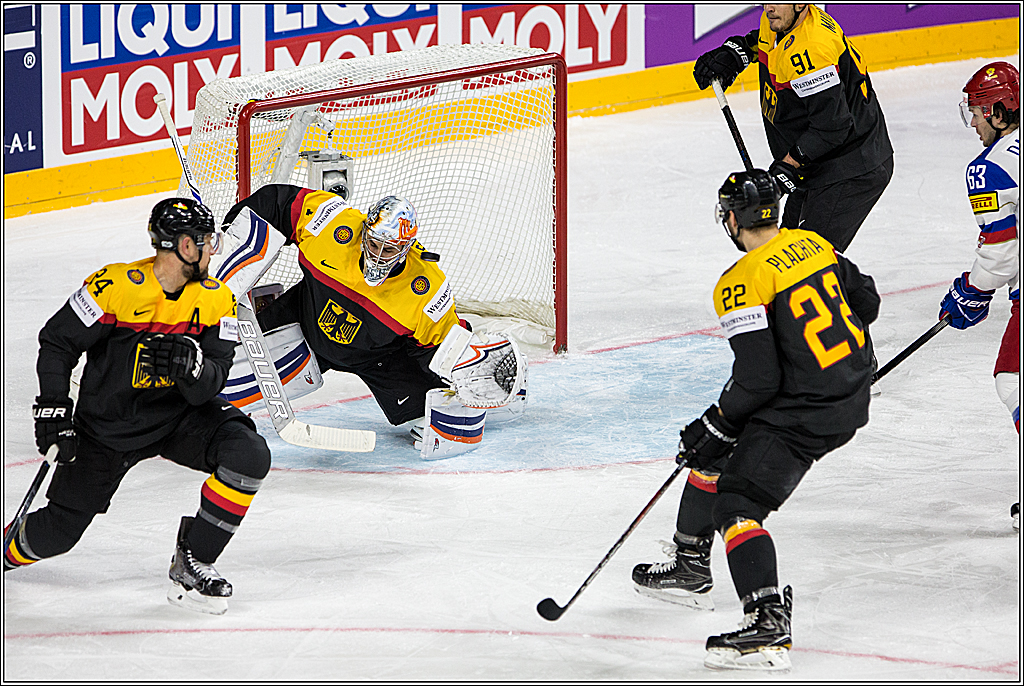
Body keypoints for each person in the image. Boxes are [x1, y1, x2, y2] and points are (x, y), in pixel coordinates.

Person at [631, 170, 880, 671]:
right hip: (846, 389)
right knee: (718, 452)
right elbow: (867, 302)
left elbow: (758, 380)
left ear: (731, 218)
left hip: (808, 409)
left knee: (739, 504)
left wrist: (716, 419)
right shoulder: (812, 242)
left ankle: (767, 624)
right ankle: (688, 566)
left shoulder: (739, 283)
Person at [3, 198, 271, 616]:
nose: (211, 249)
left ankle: (193, 558)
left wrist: (195, 369)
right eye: (204, 241)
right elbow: (58, 341)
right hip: (107, 427)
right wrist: (53, 408)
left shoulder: (219, 299)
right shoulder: (112, 287)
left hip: (179, 418)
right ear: (184, 246)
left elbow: (213, 382)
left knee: (249, 454)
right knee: (57, 534)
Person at [220, 184, 525, 444]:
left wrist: (469, 371)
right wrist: (228, 238)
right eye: (374, 243)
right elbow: (276, 203)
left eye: (390, 250)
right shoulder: (332, 223)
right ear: (364, 229)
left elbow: (440, 348)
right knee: (221, 380)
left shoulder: (426, 289)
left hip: (380, 358)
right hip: (304, 320)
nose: (378, 255)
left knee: (432, 424)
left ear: (408, 248)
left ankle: (501, 376)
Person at [693, 4, 894, 252]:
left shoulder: (811, 51)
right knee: (781, 252)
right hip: (815, 159)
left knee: (804, 261)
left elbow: (832, 128)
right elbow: (767, 45)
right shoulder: (781, 20)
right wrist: (739, 51)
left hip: (850, 166)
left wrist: (787, 166)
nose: (769, 8)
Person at [937, 61, 1019, 530]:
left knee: (1012, 379)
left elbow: (1002, 248)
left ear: (998, 111)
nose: (973, 122)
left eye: (978, 112)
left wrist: (973, 289)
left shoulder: (989, 168)